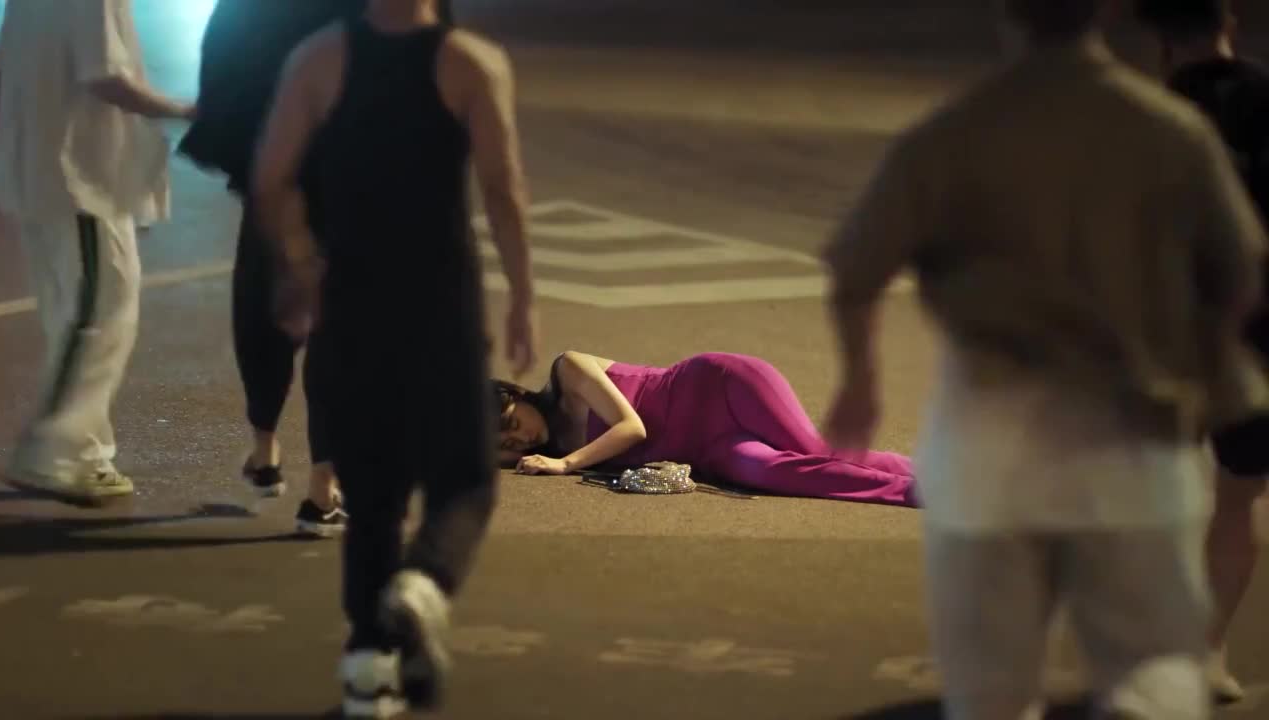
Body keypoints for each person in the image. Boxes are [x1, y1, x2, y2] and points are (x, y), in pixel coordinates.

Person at [821, 0, 1268, 717]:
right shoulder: (1166, 129)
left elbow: (855, 269)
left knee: (991, 677)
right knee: (1149, 669)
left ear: (1006, 14)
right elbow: (1240, 266)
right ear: (1106, 12)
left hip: (991, 430)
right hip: (1130, 429)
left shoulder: (957, 130)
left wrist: (859, 383)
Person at [252, 0, 536, 716]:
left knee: (372, 496)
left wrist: (298, 266)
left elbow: (272, 175)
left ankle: (367, 668)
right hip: (440, 299)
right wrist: (523, 295)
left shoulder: (320, 58)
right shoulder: (469, 63)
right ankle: (425, 581)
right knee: (465, 478)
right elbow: (502, 187)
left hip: (352, 302)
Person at [0, 0, 194, 504]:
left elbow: (0, 69)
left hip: (39, 171)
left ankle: (86, 455)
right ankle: (49, 453)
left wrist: (5, 148)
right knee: (101, 314)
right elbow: (105, 76)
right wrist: (184, 110)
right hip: (80, 179)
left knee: (72, 316)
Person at [180, 0, 367, 537]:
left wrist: (234, 145)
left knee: (263, 305)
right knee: (341, 329)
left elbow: (223, 50)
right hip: (354, 169)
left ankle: (264, 448)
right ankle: (323, 488)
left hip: (273, 162)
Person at [1136, 0, 1269, 703]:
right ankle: (1206, 650)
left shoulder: (1145, 115)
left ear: (1160, 38)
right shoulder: (1264, 99)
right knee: (1238, 496)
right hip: (1258, 332)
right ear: (1229, 25)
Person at [497, 351, 916, 506]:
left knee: (812, 448)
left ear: (515, 393)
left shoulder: (569, 370)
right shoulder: (552, 447)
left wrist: (566, 464)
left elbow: (631, 428)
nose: (520, 438)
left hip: (718, 386)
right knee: (772, 472)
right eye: (509, 442)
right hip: (709, 449)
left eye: (513, 422)